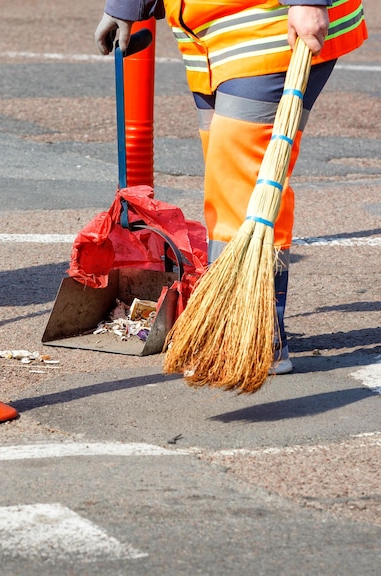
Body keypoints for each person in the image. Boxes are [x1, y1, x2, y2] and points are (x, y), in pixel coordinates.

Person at [95, 0, 367, 374]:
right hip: (207, 36)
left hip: (268, 26)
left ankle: (255, 338)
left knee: (244, 180)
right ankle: (241, 327)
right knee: (228, 183)